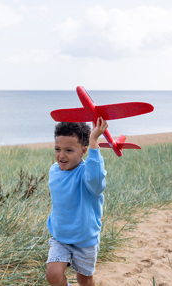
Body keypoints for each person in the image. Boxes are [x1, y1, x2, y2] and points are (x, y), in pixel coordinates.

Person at [46, 117, 108, 286]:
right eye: (57, 149)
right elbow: (56, 191)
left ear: (84, 151)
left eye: (69, 150)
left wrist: (94, 140)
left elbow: (97, 179)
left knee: (84, 280)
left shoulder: (87, 175)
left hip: (85, 239)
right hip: (61, 237)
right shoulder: (54, 170)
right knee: (53, 274)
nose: (61, 155)